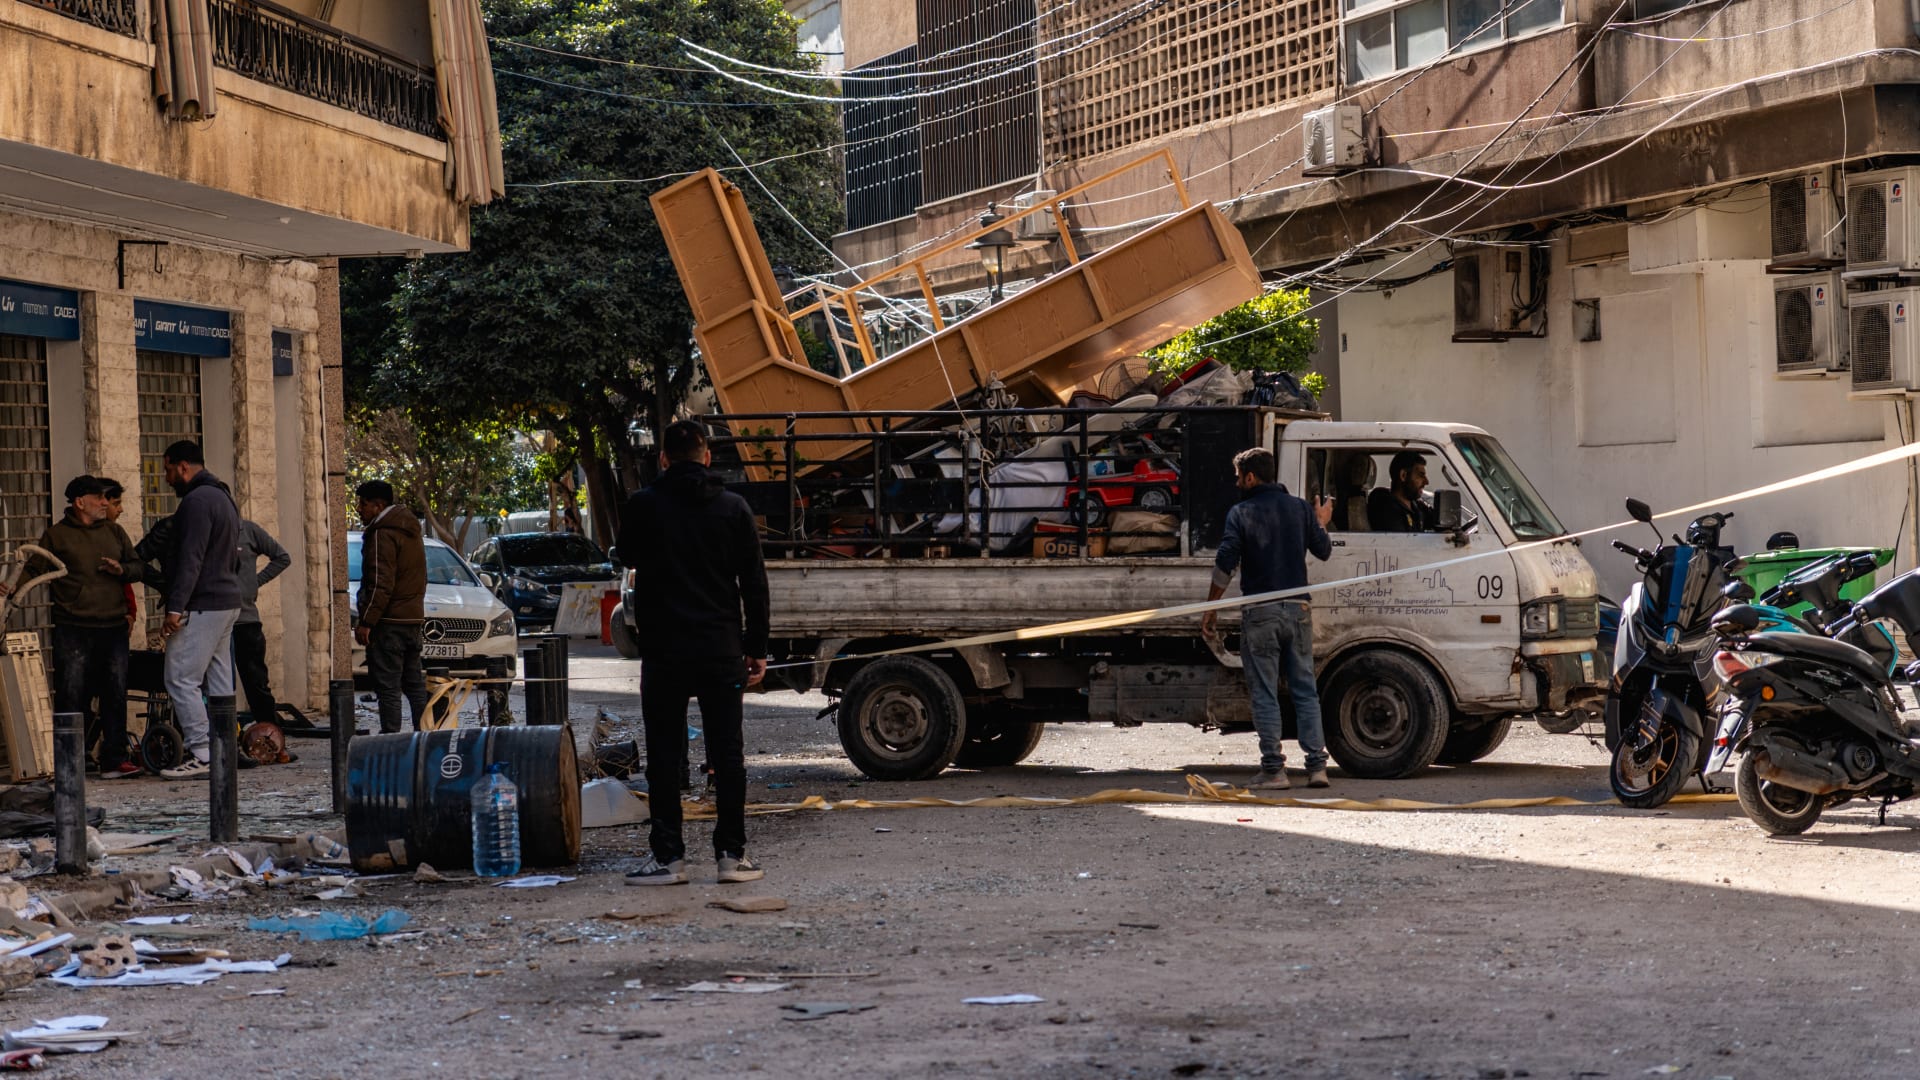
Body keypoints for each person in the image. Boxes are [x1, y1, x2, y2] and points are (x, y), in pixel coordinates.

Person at [616, 420, 769, 887]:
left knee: (664, 755)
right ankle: (731, 857)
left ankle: (668, 860)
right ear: (707, 456)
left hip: (664, 651)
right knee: (728, 753)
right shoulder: (733, 508)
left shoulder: (643, 506)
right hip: (721, 648)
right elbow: (754, 585)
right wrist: (756, 647)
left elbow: (626, 556)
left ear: (663, 458)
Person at [1200, 447, 1334, 790]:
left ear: (1250, 477)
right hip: (1299, 610)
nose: (1236, 483)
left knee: (1264, 692)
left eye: (1238, 477)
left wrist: (1210, 608)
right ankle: (1317, 767)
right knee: (1305, 690)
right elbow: (1323, 550)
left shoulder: (1241, 512)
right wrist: (1320, 522)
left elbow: (1226, 560)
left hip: (1261, 613)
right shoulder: (1301, 509)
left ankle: (1274, 770)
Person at [2, 475, 145, 778]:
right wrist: (11, 589)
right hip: (73, 627)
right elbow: (34, 569)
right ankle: (71, 759)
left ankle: (114, 760)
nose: (106, 503)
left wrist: (122, 569)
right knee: (71, 692)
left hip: (113, 627)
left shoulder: (115, 532)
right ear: (81, 502)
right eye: (99, 498)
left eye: (106, 498)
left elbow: (137, 567)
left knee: (115, 693)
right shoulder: (56, 536)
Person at [155, 441, 244, 779]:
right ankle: (223, 750)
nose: (166, 477)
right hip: (226, 602)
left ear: (182, 467)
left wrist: (175, 608)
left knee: (179, 677)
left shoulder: (196, 502)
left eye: (167, 469)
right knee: (220, 681)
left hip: (203, 603)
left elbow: (190, 559)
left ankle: (203, 752)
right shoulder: (222, 496)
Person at [353, 480, 429, 734]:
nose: (358, 509)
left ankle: (391, 741)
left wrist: (367, 621)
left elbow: (379, 582)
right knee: (414, 684)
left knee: (388, 688)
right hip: (411, 620)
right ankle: (425, 734)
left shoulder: (381, 533)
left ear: (378, 505)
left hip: (389, 624)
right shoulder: (410, 531)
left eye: (362, 504)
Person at [232, 519, 290, 724]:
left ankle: (270, 735)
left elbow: (282, 557)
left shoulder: (247, 530)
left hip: (245, 621)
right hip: (212, 621)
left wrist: (253, 583)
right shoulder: (203, 531)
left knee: (256, 683)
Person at [1366, 450, 1434, 534]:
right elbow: (1404, 543)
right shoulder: (1386, 509)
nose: (1426, 482)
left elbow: (1437, 519)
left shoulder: (1416, 505)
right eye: (1420, 475)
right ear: (1403, 475)